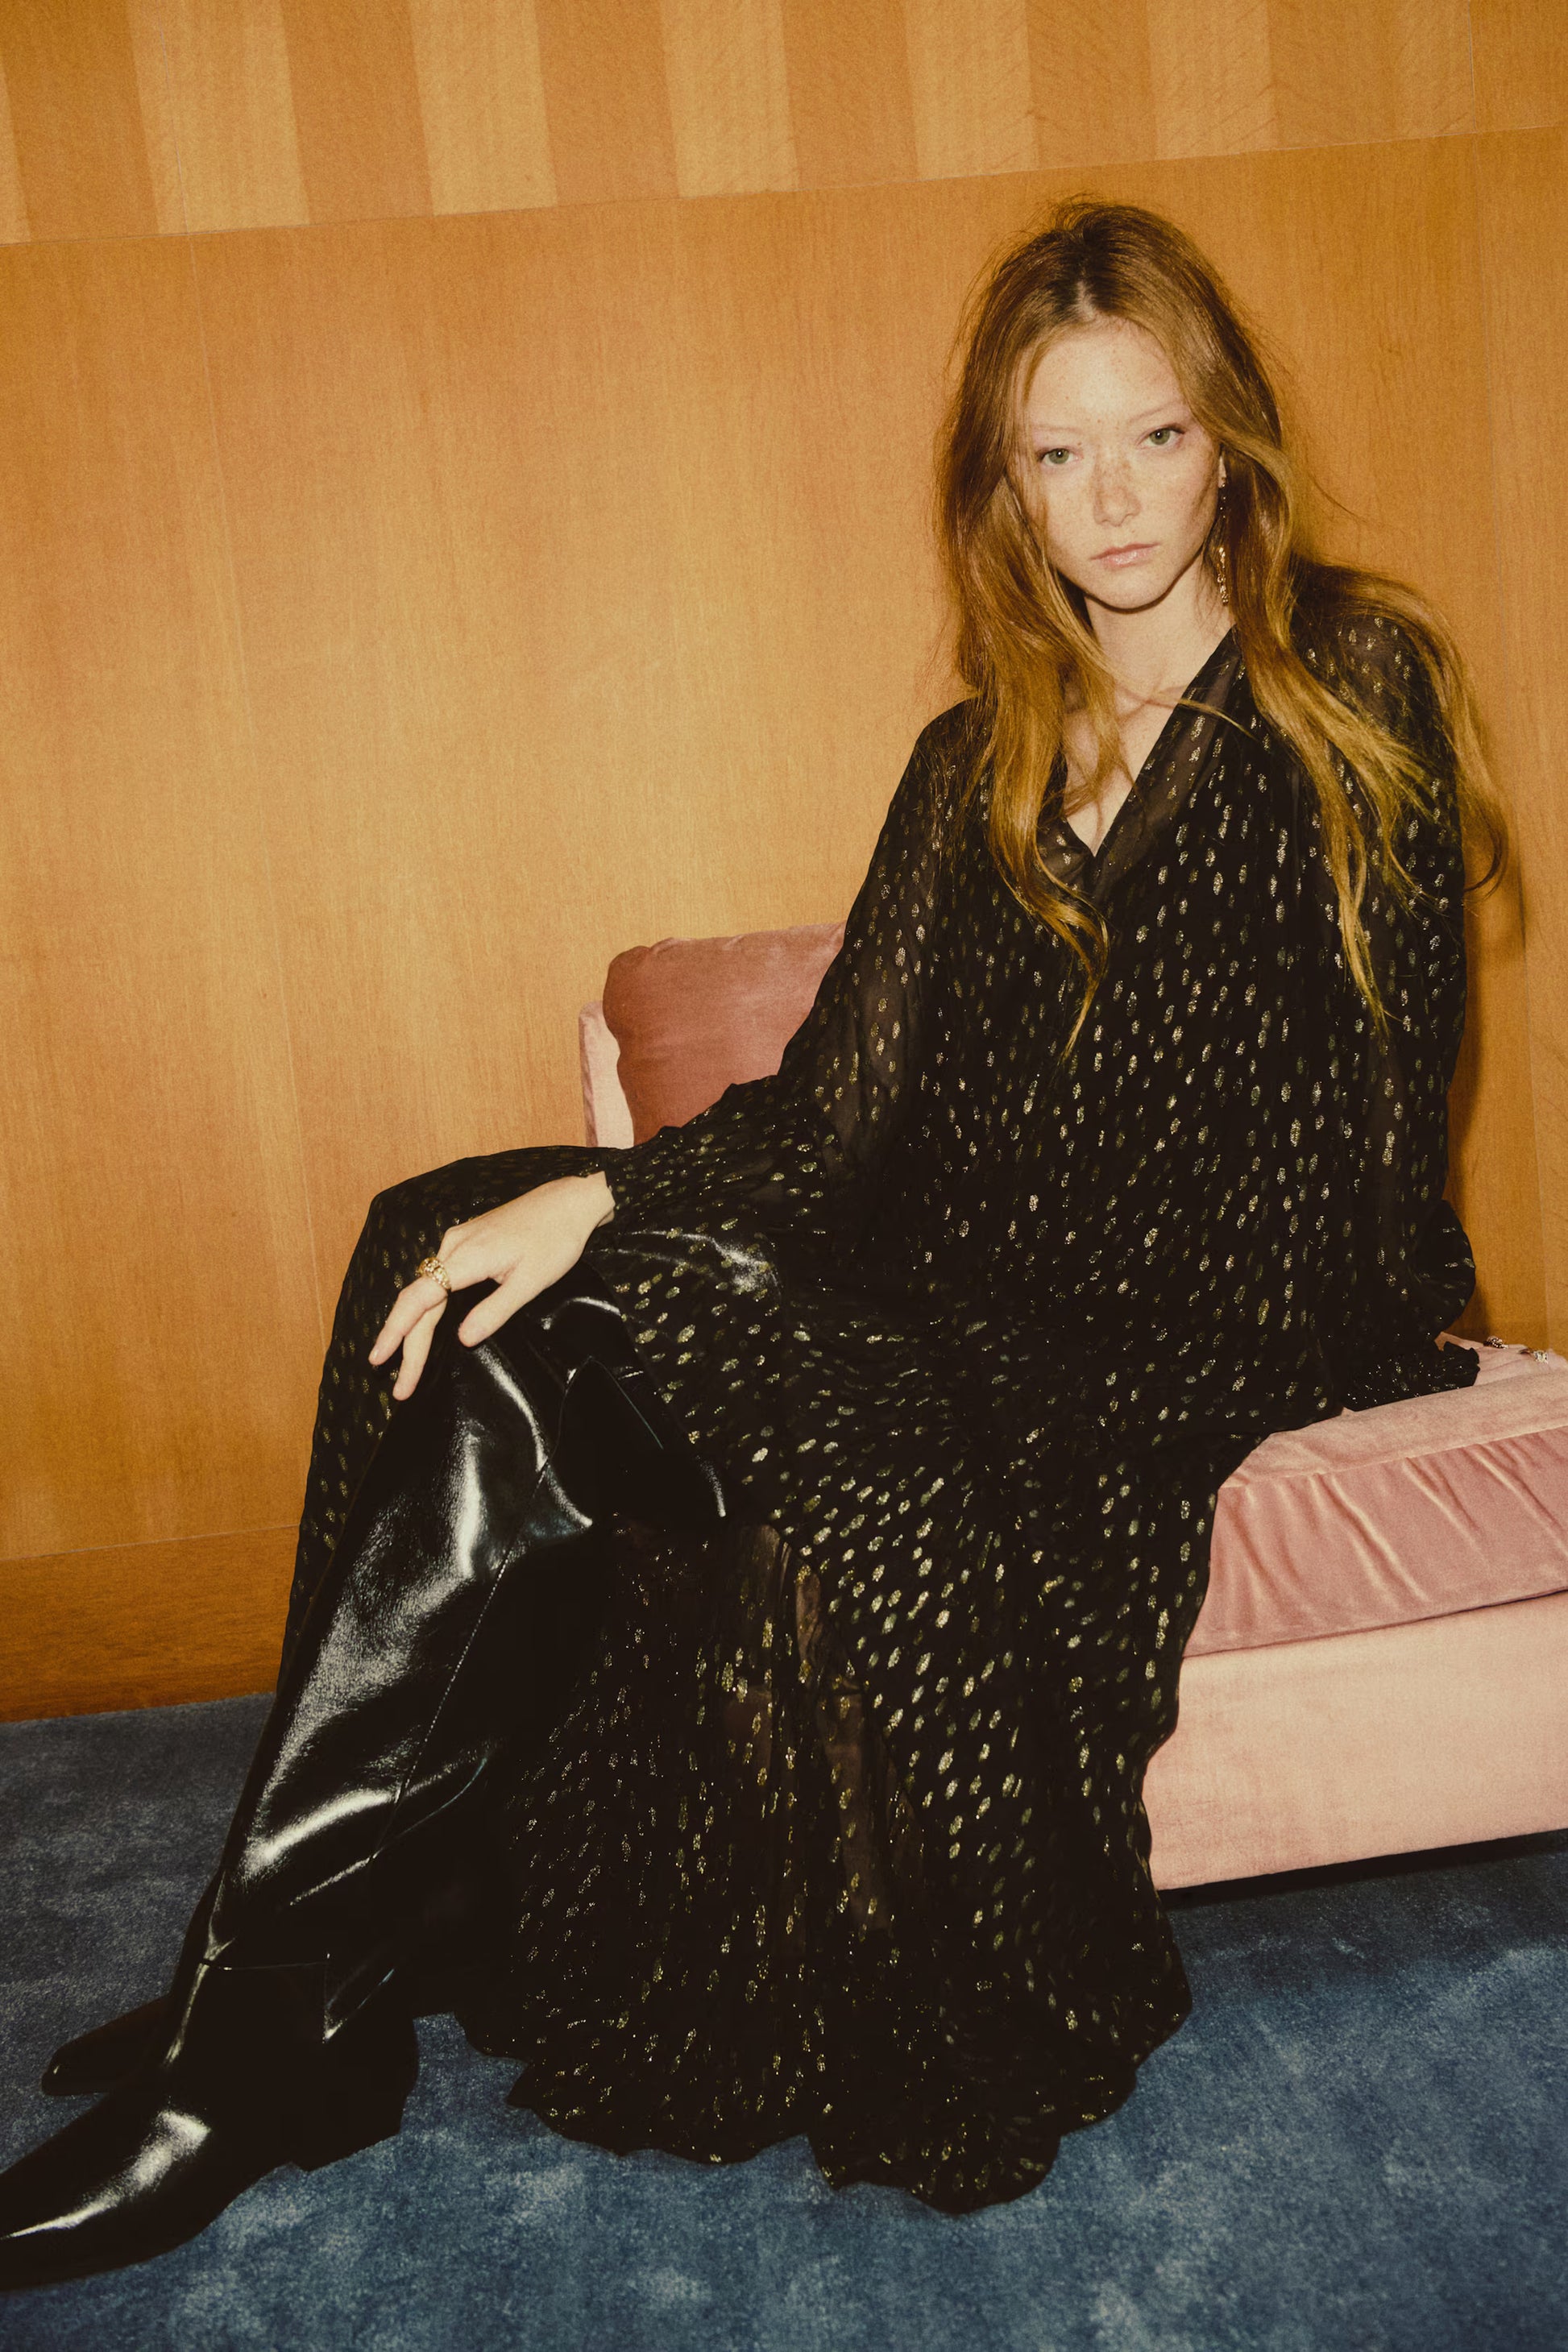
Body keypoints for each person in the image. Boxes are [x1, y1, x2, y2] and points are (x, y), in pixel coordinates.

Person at [0, 197, 1501, 2286]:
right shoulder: (979, 753)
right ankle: (319, 1969)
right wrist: (608, 1190)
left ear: (1224, 440)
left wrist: (854, 1247)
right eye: (1054, 454)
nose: (1110, 500)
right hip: (971, 1257)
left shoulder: (1348, 684)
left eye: (1150, 437)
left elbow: (1350, 1114)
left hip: (1223, 1303)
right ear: (1001, 487)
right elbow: (838, 1112)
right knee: (438, 1230)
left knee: (593, 1330)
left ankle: (255, 2043)